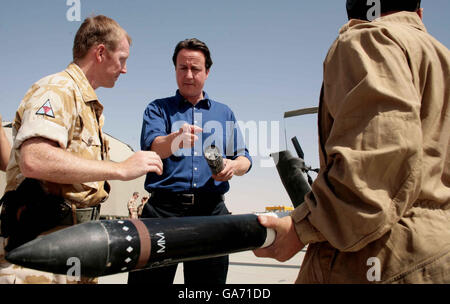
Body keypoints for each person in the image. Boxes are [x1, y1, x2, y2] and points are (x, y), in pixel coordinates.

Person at [254, 0, 450, 283]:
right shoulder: (440, 56)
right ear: (419, 13)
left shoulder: (369, 37)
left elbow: (377, 165)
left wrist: (299, 230)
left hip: (381, 256)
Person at [0, 15, 163, 284]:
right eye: (122, 59)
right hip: (39, 253)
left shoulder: (86, 103)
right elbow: (34, 158)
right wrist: (120, 169)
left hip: (76, 248)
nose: (124, 69)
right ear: (100, 52)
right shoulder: (57, 90)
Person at [128, 38, 252, 284]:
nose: (188, 74)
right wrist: (176, 139)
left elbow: (244, 158)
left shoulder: (224, 113)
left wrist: (232, 166)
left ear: (207, 72)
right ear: (174, 69)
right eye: (182, 68)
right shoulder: (157, 109)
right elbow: (154, 147)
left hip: (211, 213)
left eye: (195, 69)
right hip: (162, 213)